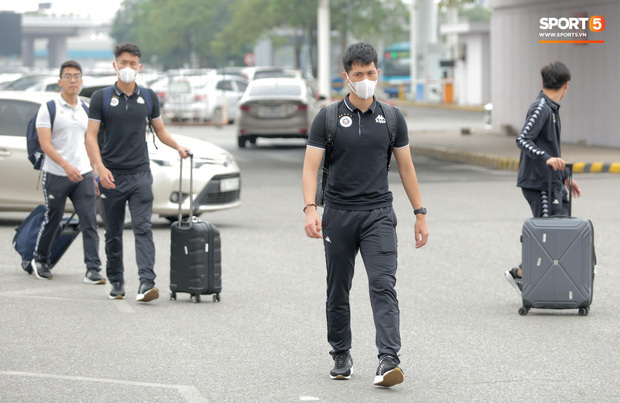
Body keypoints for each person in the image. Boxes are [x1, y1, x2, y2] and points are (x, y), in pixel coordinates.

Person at [302, 43, 429, 387]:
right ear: (346, 77)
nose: (365, 80)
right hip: (338, 215)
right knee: (337, 288)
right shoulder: (327, 118)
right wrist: (311, 209)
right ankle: (340, 352)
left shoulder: (391, 117)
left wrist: (420, 213)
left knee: (383, 284)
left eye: (370, 73)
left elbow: (406, 168)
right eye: (358, 75)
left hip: (378, 215)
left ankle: (389, 359)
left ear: (377, 73)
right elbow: (311, 167)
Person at [85, 42, 189, 302]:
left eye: (133, 63)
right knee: (113, 232)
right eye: (123, 63)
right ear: (115, 66)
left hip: (140, 174)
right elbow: (90, 136)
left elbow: (160, 130)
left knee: (143, 228)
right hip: (112, 176)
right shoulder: (101, 98)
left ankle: (146, 283)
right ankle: (117, 280)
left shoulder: (149, 97)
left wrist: (177, 146)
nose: (128, 68)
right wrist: (99, 168)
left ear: (139, 67)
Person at [505, 61, 582, 294]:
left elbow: (553, 148)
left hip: (551, 181)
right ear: (567, 85)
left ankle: (534, 277)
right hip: (538, 182)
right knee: (547, 234)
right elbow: (523, 139)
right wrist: (546, 158)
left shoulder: (551, 108)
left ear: (543, 82)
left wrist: (565, 176)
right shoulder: (541, 107)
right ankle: (520, 273)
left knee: (557, 230)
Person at [32, 60, 105, 284]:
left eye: (76, 76)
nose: (72, 80)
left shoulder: (86, 109)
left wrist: (93, 173)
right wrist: (65, 166)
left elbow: (89, 143)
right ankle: (40, 259)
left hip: (82, 174)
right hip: (56, 174)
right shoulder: (49, 108)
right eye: (68, 76)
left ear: (81, 81)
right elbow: (46, 145)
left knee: (89, 221)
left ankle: (93, 269)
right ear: (60, 81)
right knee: (53, 218)